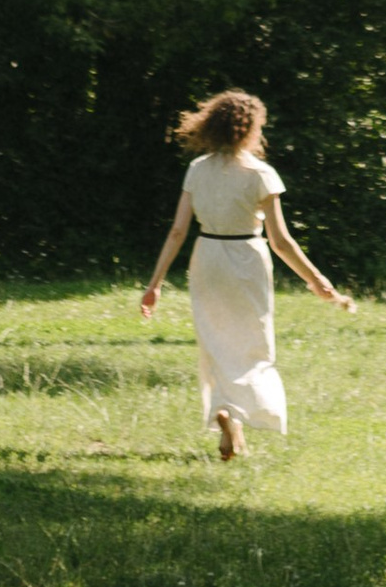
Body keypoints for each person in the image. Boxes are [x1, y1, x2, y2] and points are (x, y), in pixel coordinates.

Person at [139, 87, 351, 460]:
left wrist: (154, 284)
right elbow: (281, 241)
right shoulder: (260, 173)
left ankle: (226, 415)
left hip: (207, 258)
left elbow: (177, 231)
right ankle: (233, 413)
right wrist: (316, 280)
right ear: (250, 129)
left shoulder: (197, 169)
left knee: (216, 341)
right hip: (246, 258)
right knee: (253, 346)